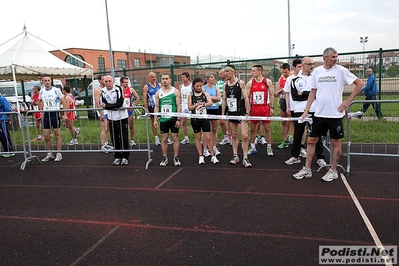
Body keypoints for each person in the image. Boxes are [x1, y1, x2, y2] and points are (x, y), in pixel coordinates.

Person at [293, 47, 364, 182]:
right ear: (325, 57)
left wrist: (348, 101)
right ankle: (307, 169)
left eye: (336, 56)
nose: (336, 59)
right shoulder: (317, 72)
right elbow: (313, 92)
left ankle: (333, 170)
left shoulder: (341, 70)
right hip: (319, 113)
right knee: (311, 140)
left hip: (335, 114)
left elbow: (359, 83)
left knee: (334, 141)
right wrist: (306, 110)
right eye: (333, 57)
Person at [284, 57, 326, 167]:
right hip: (299, 110)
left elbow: (317, 94)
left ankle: (320, 157)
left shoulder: (315, 77)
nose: (312, 66)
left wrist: (303, 94)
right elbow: (294, 95)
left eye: (313, 64)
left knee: (316, 134)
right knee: (298, 134)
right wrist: (308, 95)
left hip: (314, 110)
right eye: (309, 64)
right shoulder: (293, 79)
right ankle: (295, 156)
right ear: (303, 65)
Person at [221, 65, 252, 168]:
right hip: (231, 112)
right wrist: (222, 114)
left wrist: (248, 112)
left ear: (233, 72)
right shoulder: (225, 85)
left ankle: (245, 157)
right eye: (224, 72)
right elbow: (224, 100)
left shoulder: (240, 83)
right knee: (234, 135)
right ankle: (235, 155)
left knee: (245, 135)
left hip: (241, 112)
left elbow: (246, 98)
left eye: (227, 72)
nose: (225, 73)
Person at [187, 77, 219, 164]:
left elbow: (210, 102)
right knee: (197, 137)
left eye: (201, 86)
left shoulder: (205, 94)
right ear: (193, 86)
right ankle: (200, 156)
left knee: (208, 137)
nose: (199, 87)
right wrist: (195, 105)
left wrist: (203, 104)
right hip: (195, 119)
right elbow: (189, 107)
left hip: (204, 119)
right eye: (197, 86)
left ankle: (213, 156)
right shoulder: (191, 95)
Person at [153, 73, 182, 167]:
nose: (164, 80)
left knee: (175, 138)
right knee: (164, 139)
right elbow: (157, 107)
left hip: (173, 118)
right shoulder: (158, 93)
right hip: (163, 119)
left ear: (170, 80)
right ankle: (164, 157)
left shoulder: (175, 91)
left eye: (166, 78)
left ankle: (176, 157)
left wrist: (178, 119)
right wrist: (155, 119)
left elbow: (178, 105)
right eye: (163, 79)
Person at [246, 65, 274, 157]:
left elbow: (272, 95)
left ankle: (269, 147)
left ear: (260, 71)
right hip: (254, 108)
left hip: (264, 108)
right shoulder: (250, 83)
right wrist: (247, 110)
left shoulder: (267, 82)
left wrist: (272, 107)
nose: (252, 72)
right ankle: (253, 147)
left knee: (267, 128)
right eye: (252, 70)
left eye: (254, 71)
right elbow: (246, 97)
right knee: (252, 129)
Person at [102, 75, 130, 166]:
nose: (108, 83)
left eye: (109, 81)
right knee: (114, 138)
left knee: (123, 137)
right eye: (106, 81)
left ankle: (125, 156)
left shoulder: (118, 89)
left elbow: (119, 103)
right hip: (111, 118)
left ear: (113, 81)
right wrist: (107, 106)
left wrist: (108, 106)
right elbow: (103, 103)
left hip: (122, 117)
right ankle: (117, 156)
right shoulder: (103, 91)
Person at [39, 76, 64, 162]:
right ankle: (49, 154)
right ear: (42, 82)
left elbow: (62, 99)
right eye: (45, 81)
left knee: (57, 134)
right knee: (46, 136)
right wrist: (41, 112)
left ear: (51, 81)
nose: (47, 82)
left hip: (55, 113)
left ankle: (59, 153)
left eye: (48, 80)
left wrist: (63, 111)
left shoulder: (56, 90)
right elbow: (40, 101)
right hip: (46, 114)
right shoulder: (41, 91)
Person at [276, 62, 295, 149]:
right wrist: (279, 97)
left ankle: (290, 136)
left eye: (285, 72)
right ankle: (284, 139)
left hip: (291, 101)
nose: (284, 74)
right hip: (283, 100)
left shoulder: (293, 78)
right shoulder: (281, 79)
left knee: (290, 120)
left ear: (289, 70)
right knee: (283, 121)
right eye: (282, 72)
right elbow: (277, 92)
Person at [203, 71, 222, 157]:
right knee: (206, 131)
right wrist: (213, 99)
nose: (213, 78)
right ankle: (205, 148)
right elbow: (204, 98)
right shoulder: (203, 88)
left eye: (214, 77)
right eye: (211, 77)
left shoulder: (216, 87)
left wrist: (210, 98)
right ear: (207, 79)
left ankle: (214, 147)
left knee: (214, 130)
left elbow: (219, 97)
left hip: (215, 109)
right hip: (206, 109)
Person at [143, 72, 164, 146]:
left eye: (154, 77)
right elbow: (144, 98)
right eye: (152, 77)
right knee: (153, 122)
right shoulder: (146, 86)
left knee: (163, 121)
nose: (153, 78)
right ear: (149, 78)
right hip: (152, 106)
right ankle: (156, 138)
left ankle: (164, 137)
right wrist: (146, 108)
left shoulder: (159, 85)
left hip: (160, 105)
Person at [94, 74, 113, 152]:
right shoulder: (98, 90)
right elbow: (97, 102)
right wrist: (101, 113)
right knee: (104, 128)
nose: (105, 81)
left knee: (107, 128)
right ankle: (103, 145)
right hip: (102, 111)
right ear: (99, 80)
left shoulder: (106, 89)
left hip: (107, 110)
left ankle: (106, 143)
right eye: (103, 80)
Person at [120, 76, 140, 147]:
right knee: (122, 126)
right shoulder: (119, 90)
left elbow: (137, 97)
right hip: (122, 111)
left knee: (131, 126)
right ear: (121, 83)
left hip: (129, 110)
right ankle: (122, 140)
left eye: (127, 82)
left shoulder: (131, 89)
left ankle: (132, 140)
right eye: (125, 82)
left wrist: (134, 107)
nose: (126, 84)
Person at [216, 68, 231, 145]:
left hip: (230, 104)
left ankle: (230, 136)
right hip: (220, 104)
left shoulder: (230, 82)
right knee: (221, 122)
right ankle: (225, 136)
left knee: (230, 121)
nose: (220, 75)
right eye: (219, 74)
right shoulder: (218, 83)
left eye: (221, 73)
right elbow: (217, 93)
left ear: (225, 73)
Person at [0, 93, 15, 158]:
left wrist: (9, 118)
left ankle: (9, 150)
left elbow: (7, 109)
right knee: (1, 136)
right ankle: (6, 150)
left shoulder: (2, 99)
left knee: (4, 135)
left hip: (2, 120)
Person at [179, 72, 192, 145]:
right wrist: (180, 105)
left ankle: (198, 136)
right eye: (182, 77)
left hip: (190, 104)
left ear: (187, 78)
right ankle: (186, 137)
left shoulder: (191, 85)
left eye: (184, 77)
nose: (182, 78)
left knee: (194, 121)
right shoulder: (181, 86)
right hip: (183, 105)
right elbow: (180, 96)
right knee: (183, 122)